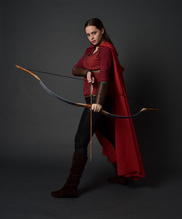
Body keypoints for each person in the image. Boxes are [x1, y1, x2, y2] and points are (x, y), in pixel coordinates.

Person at [51, 18, 146, 198]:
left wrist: (99, 102)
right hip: (92, 100)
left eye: (94, 33)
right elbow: (74, 69)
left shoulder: (105, 51)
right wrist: (86, 72)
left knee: (80, 140)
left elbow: (104, 77)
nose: (91, 37)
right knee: (111, 138)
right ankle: (122, 173)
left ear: (102, 30)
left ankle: (71, 187)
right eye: (88, 35)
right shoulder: (89, 51)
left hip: (97, 101)